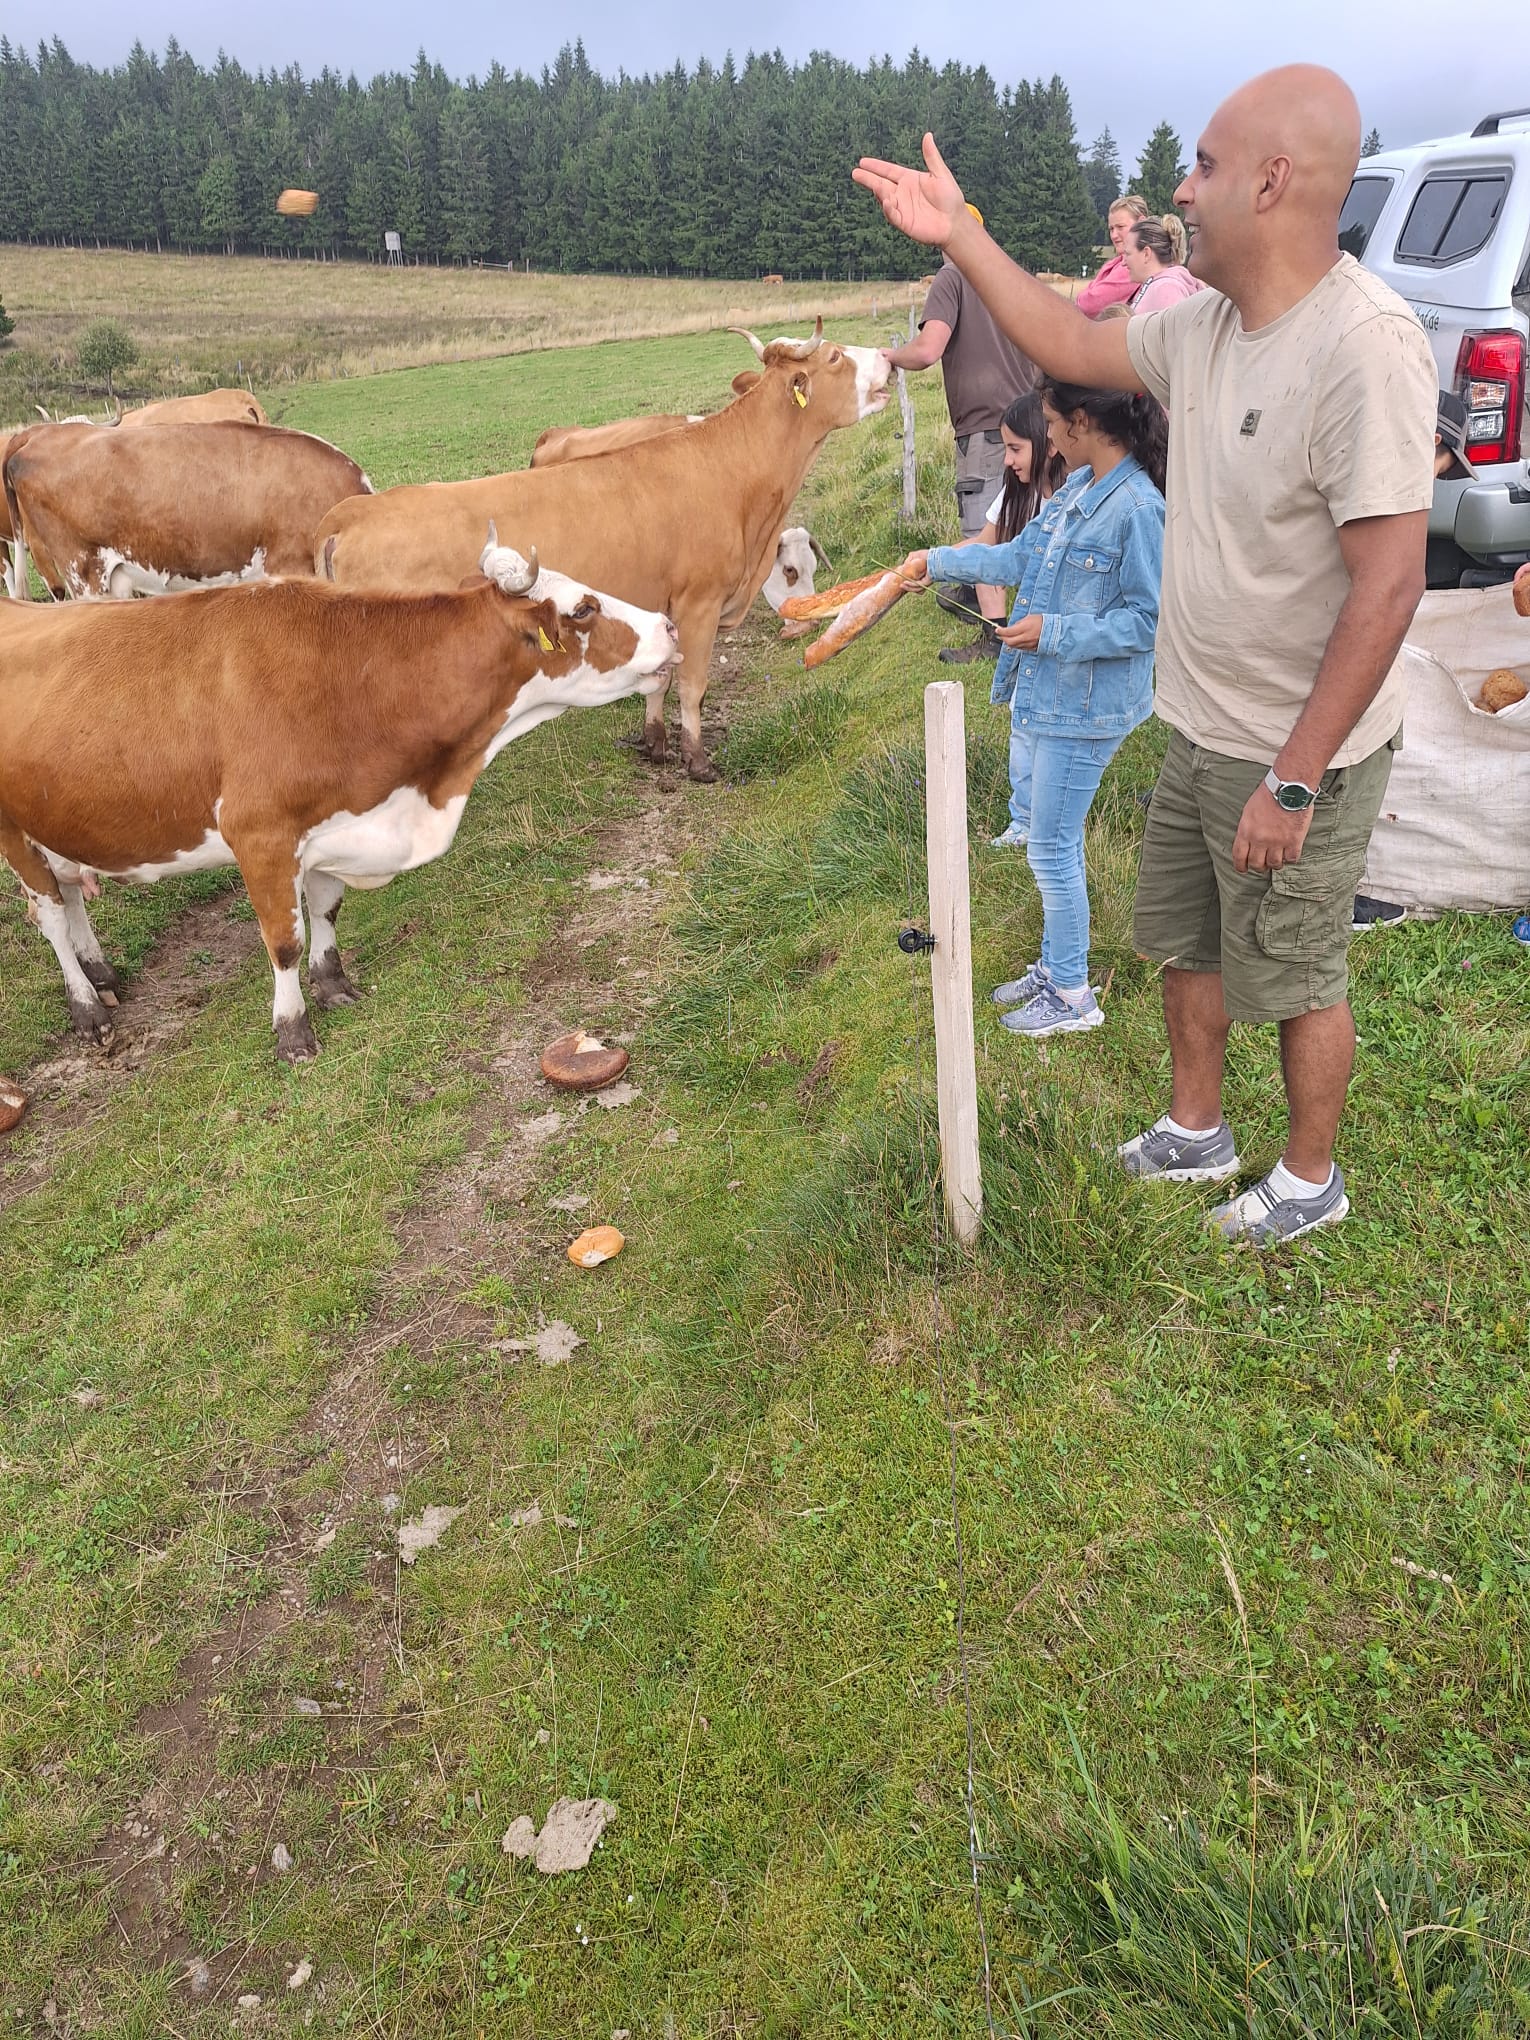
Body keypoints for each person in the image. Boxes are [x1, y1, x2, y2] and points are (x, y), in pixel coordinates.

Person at [856, 63, 1438, 1244]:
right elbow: (1065, 331)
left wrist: (1296, 774)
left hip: (1290, 748)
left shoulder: (1363, 347)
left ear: (1275, 182)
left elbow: (1391, 584)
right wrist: (960, 234)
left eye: (1207, 167)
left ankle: (1311, 1179)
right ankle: (1196, 1128)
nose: (1182, 187)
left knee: (1298, 974)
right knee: (1186, 939)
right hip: (1197, 719)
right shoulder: (1202, 325)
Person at [899, 378, 1166, 1037]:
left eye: (1049, 423)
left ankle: (1073, 994)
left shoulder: (1138, 507)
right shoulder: (1077, 489)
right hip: (1050, 694)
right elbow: (1020, 555)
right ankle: (1055, 966)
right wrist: (938, 560)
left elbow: (1149, 622)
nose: (1043, 437)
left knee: (1050, 845)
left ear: (1081, 423)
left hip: (1088, 706)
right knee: (1049, 842)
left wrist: (1055, 632)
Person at [883, 203, 1038, 663]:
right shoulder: (1005, 276)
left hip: (984, 426)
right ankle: (983, 596)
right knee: (1018, 516)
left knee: (981, 522)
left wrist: (887, 358)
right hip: (1027, 418)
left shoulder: (951, 279)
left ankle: (995, 636)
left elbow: (929, 348)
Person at [1350, 390, 1477, 933]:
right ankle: (1343, 896)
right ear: (1433, 441)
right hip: (1338, 646)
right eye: (1444, 463)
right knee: (1346, 756)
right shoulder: (1386, 491)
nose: (1438, 477)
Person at [935, 388, 1068, 695]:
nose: (1006, 460)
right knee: (987, 553)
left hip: (1064, 619)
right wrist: (929, 562)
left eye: (1015, 449)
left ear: (1047, 445)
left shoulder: (1075, 493)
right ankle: (995, 637)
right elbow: (983, 541)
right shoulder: (1019, 490)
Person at [1077, 195, 1151, 319]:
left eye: (1120, 227)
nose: (1114, 235)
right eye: (1111, 229)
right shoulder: (1117, 263)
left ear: (1141, 223)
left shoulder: (1135, 264)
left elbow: (1089, 304)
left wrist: (1082, 297)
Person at [1123, 216, 1206, 315]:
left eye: (1128, 254)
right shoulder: (1160, 286)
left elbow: (1175, 329)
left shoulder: (1166, 289)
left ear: (1146, 254)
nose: (1123, 262)